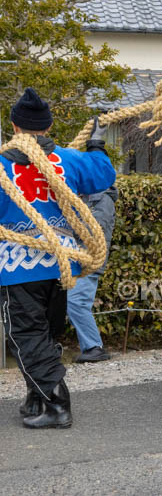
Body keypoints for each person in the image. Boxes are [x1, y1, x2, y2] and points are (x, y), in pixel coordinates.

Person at [0, 89, 116, 428]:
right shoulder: (67, 159)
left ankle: (56, 405)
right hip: (61, 264)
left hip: (17, 266)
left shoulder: (3, 164)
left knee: (26, 336)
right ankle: (36, 397)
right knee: (45, 334)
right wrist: (96, 145)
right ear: (48, 127)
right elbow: (103, 175)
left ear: (14, 126)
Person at [66, 185, 117, 363]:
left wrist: (63, 231)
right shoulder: (83, 197)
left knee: (76, 302)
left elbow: (95, 229)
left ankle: (94, 347)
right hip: (75, 259)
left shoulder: (103, 200)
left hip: (89, 260)